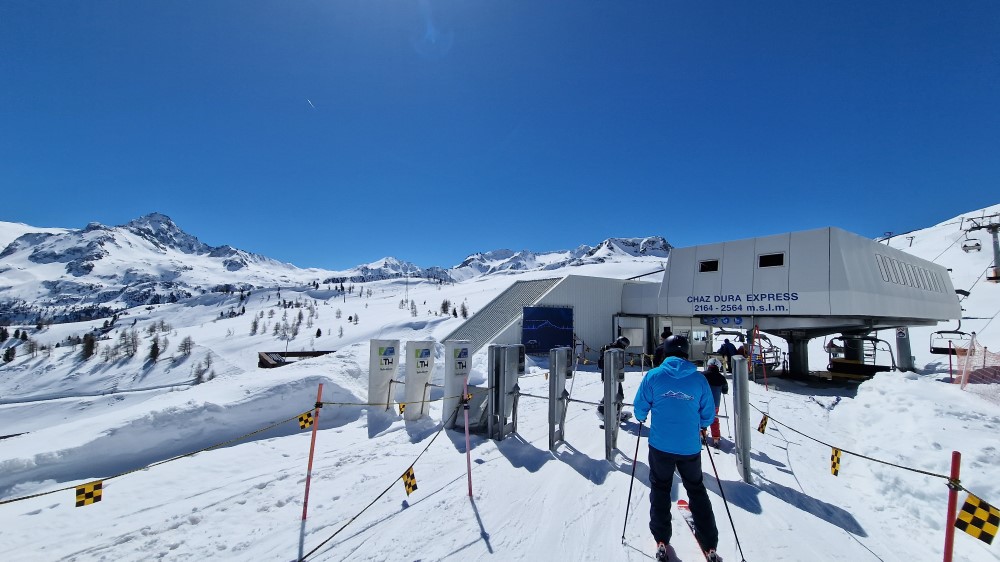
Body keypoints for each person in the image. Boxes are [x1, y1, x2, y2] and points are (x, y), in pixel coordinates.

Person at [633, 335, 720, 562]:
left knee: (661, 487)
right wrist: (701, 425)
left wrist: (642, 417)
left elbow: (640, 407)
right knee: (696, 488)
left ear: (666, 351)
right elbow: (708, 413)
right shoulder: (699, 380)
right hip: (689, 447)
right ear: (686, 352)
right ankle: (709, 543)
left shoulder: (654, 376)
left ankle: (661, 539)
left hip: (660, 445)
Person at [596, 336, 630, 418]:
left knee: (613, 393)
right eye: (625, 346)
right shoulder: (611, 350)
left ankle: (609, 410)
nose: (625, 348)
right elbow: (601, 365)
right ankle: (604, 410)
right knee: (618, 394)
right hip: (610, 375)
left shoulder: (611, 349)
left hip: (611, 375)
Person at [702, 358, 729, 448]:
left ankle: (702, 433)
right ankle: (716, 438)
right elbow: (725, 391)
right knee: (714, 419)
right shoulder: (721, 378)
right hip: (715, 403)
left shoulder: (702, 375)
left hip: (702, 401)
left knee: (702, 416)